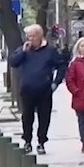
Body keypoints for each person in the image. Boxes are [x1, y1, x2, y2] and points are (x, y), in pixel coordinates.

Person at [8, 25, 66, 155]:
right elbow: (13, 62)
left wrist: (56, 82)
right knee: (27, 116)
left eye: (33, 36)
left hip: (44, 89)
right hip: (27, 88)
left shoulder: (50, 51)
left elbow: (62, 66)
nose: (30, 39)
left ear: (40, 36)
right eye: (28, 36)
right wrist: (22, 51)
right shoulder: (24, 49)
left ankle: (41, 142)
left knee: (44, 117)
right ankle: (27, 140)